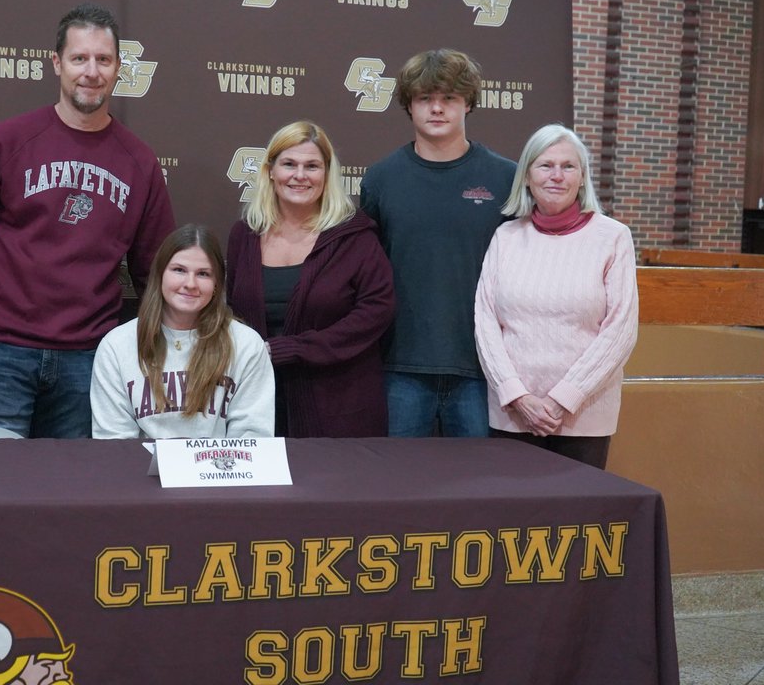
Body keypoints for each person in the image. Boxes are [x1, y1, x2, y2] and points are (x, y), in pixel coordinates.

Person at [0, 3, 175, 438]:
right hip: (2, 350)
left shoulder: (139, 161)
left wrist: (174, 350)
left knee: (73, 495)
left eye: (103, 59)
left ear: (119, 68)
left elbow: (158, 271)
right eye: (79, 58)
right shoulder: (9, 141)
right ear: (57, 62)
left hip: (89, 357)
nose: (91, 71)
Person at [360, 48, 516, 438]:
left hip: (484, 367)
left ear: (468, 104)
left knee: (480, 491)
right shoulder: (381, 179)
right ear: (409, 106)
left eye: (449, 98)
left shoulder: (506, 178)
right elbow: (365, 275)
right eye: (425, 98)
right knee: (400, 489)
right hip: (400, 366)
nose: (437, 108)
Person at [474, 124, 638, 469]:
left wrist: (563, 399)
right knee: (512, 519)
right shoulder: (506, 236)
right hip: (514, 415)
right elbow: (486, 321)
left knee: (576, 520)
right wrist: (518, 396)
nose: (557, 176)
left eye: (568, 166)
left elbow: (620, 330)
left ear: (582, 178)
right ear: (528, 177)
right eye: (545, 165)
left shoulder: (613, 238)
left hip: (584, 417)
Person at [227, 120, 394, 437]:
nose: (300, 175)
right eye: (289, 164)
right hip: (258, 405)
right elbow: (233, 308)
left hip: (340, 405)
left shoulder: (355, 236)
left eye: (312, 166)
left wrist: (293, 349)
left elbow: (376, 311)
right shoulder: (245, 235)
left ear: (327, 174)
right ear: (270, 171)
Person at [91, 224, 274, 439]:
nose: (190, 284)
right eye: (179, 270)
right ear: (159, 275)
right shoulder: (116, 346)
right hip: (139, 471)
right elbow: (114, 444)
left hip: (219, 470)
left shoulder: (246, 344)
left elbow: (252, 439)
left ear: (217, 284)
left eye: (203, 274)